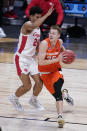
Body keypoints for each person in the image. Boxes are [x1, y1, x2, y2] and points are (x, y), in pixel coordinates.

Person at [9, 6, 54, 111]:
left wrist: (46, 53)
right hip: (21, 59)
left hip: (31, 60)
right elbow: (34, 25)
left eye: (40, 17)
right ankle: (14, 98)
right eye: (37, 17)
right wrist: (47, 15)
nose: (38, 19)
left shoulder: (38, 29)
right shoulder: (27, 25)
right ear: (31, 16)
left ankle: (33, 100)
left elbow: (37, 47)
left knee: (39, 82)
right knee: (27, 86)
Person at [38, 25, 72, 127]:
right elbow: (41, 62)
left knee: (57, 93)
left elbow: (62, 49)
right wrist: (57, 59)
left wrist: (66, 54)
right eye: (50, 33)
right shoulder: (44, 44)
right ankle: (64, 94)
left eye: (53, 33)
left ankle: (60, 118)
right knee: (57, 95)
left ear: (58, 35)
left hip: (56, 71)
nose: (51, 35)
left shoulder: (60, 42)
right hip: (45, 74)